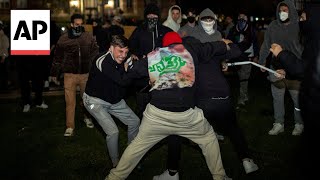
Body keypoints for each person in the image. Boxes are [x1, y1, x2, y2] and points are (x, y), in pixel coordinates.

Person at [105, 31, 233, 180]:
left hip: (156, 116)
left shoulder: (153, 55)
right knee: (209, 139)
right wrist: (225, 44)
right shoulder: (191, 49)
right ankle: (219, 176)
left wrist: (129, 69)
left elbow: (130, 74)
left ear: (164, 45)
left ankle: (114, 178)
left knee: (136, 148)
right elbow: (216, 46)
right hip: (186, 116)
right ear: (180, 43)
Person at [154, 10, 259, 180]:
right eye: (205, 19)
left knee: (177, 132)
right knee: (231, 128)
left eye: (211, 19)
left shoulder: (190, 47)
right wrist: (223, 49)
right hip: (219, 93)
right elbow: (233, 51)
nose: (208, 22)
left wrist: (221, 60)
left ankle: (173, 172)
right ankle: (245, 160)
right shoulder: (207, 41)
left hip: (202, 95)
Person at [268, 3, 320, 177]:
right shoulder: (312, 36)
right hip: (287, 70)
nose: (302, 22)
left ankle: (299, 124)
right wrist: (285, 67)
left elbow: (305, 68)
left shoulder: (313, 39)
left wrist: (282, 55)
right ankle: (279, 123)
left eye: (304, 18)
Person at [83, 35, 140, 168]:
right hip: (94, 101)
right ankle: (116, 164)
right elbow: (122, 81)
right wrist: (128, 69)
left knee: (135, 121)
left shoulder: (125, 58)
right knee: (113, 132)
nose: (123, 55)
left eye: (126, 52)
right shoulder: (102, 60)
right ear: (111, 48)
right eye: (120, 51)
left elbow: (131, 67)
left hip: (114, 101)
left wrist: (131, 62)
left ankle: (130, 155)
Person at [258, 0, 304, 136]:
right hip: (275, 68)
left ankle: (299, 123)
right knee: (277, 98)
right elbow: (266, 44)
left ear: (291, 11)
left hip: (294, 69)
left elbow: (303, 49)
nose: (282, 13)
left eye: (285, 10)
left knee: (297, 99)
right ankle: (279, 123)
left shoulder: (299, 26)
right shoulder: (273, 26)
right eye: (280, 10)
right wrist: (262, 60)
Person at [51, 13, 99, 136]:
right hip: (69, 75)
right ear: (71, 24)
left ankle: (87, 118)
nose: (79, 26)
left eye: (81, 24)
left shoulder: (87, 36)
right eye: (77, 24)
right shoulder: (64, 38)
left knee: (86, 100)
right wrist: (54, 73)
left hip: (85, 74)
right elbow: (57, 57)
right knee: (70, 102)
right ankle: (70, 126)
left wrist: (94, 68)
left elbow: (95, 52)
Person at [128, 3, 172, 121]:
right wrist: (135, 54)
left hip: (160, 71)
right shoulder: (139, 31)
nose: (152, 18)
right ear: (146, 16)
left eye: (155, 16)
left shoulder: (165, 31)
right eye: (149, 16)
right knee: (142, 101)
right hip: (143, 72)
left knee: (159, 101)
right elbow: (131, 46)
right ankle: (141, 124)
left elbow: (173, 48)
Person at [227, 12, 259, 107]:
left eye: (244, 17)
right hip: (236, 57)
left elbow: (255, 43)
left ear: (247, 18)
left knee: (244, 77)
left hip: (247, 57)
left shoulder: (251, 30)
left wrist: (256, 56)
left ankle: (241, 98)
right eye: (240, 17)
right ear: (237, 18)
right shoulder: (233, 30)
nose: (242, 19)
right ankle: (245, 96)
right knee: (240, 77)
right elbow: (228, 41)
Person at [0, 20, 9, 91]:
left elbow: (5, 48)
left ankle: (4, 88)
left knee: (3, 74)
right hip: (2, 57)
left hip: (2, 58)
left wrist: (3, 57)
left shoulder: (3, 37)